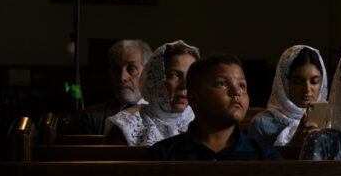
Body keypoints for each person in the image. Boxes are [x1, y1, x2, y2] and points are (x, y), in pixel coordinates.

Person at [147, 53, 282, 160]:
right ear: (193, 98)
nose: (236, 92)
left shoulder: (265, 156)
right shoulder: (162, 155)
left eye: (242, 86)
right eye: (222, 84)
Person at [105, 40, 200, 146]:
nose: (185, 85)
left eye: (191, 76)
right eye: (175, 75)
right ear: (156, 79)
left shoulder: (206, 123)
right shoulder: (127, 126)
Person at [248, 45, 328, 148]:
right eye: (298, 82)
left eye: (314, 82)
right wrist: (292, 146)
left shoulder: (331, 122)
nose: (307, 89)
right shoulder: (261, 124)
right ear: (284, 83)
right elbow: (255, 163)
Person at [77, 39, 151, 134]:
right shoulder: (91, 117)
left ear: (147, 72)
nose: (122, 77)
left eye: (131, 68)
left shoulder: (164, 115)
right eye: (115, 69)